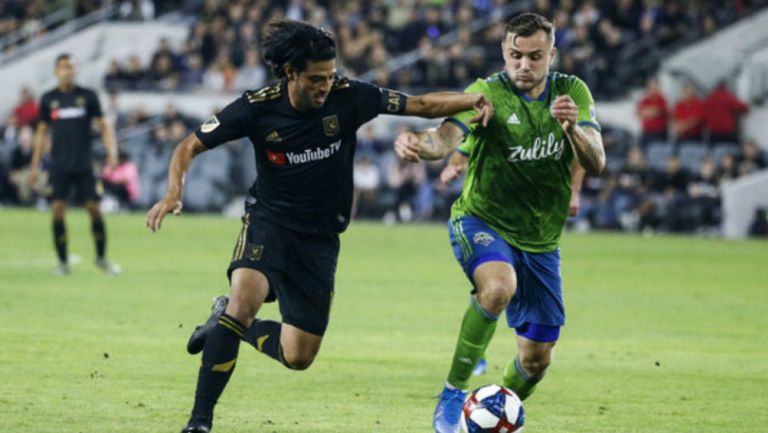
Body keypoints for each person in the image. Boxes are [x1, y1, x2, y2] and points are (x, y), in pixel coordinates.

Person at [143, 19, 494, 433]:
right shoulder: (256, 107)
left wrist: (471, 101)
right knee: (244, 300)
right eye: (316, 79)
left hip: (321, 238)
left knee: (298, 355)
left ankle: (229, 321)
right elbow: (189, 146)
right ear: (290, 73)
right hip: (269, 222)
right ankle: (199, 421)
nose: (325, 85)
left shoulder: (351, 97)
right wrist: (172, 192)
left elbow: (420, 106)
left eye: (329, 76)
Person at [393, 13, 604, 433]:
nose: (524, 65)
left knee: (536, 360)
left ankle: (494, 411)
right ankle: (453, 394)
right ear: (504, 53)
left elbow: (596, 161)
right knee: (498, 287)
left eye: (535, 56)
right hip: (480, 219)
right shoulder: (486, 93)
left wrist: (572, 130)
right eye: (515, 55)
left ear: (552, 55)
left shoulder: (571, 92)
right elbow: (446, 138)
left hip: (541, 241)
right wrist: (421, 145)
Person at [29, 53, 121, 275]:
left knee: (94, 209)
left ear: (75, 70)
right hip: (59, 165)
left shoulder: (87, 97)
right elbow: (41, 134)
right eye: (62, 67)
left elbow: (103, 126)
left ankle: (101, 258)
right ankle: (62, 262)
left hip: (83, 165)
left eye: (70, 67)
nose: (67, 71)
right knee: (58, 210)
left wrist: (112, 153)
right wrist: (34, 165)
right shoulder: (48, 99)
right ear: (56, 71)